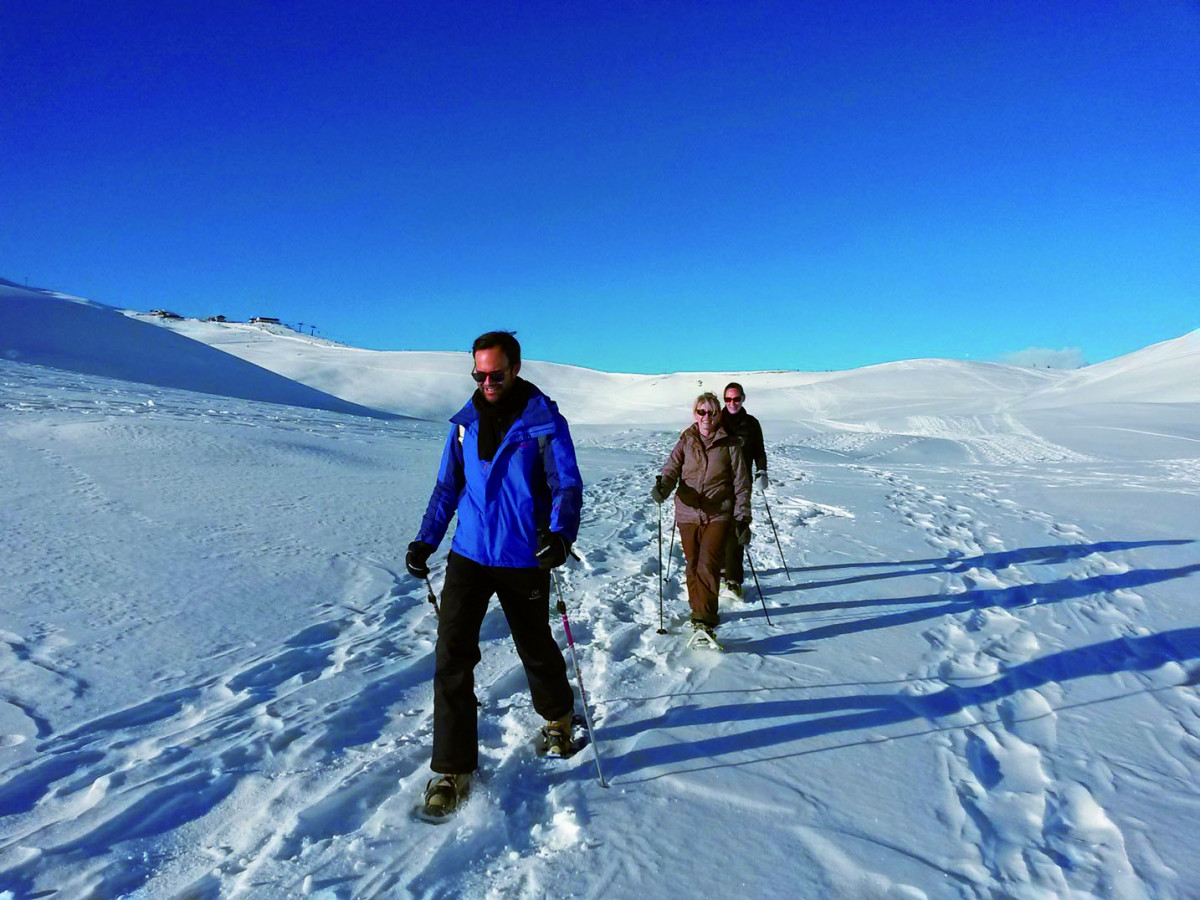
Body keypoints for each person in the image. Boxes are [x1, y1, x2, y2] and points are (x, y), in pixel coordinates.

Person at [405, 331, 583, 818]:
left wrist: (561, 534)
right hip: (469, 555)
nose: (486, 382)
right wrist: (427, 539)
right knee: (452, 656)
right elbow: (447, 487)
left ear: (516, 369)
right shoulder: (463, 425)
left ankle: (558, 717)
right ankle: (452, 769)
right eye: (479, 374)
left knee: (534, 645)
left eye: (495, 374)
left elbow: (565, 484)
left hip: (524, 555)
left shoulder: (543, 422)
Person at [651, 392, 751, 643]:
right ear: (695, 414)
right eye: (701, 411)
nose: (706, 417)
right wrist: (664, 486)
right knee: (693, 564)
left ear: (718, 415)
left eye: (711, 412)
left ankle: (705, 619)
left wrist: (742, 518)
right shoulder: (687, 439)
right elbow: (672, 467)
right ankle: (698, 612)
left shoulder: (730, 444)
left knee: (708, 564)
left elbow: (741, 483)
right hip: (687, 512)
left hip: (718, 513)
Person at [719, 381, 768, 598]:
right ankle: (719, 570)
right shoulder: (716, 421)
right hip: (718, 483)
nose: (732, 403)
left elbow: (759, 451)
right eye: (728, 399)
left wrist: (762, 471)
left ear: (743, 398)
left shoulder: (752, 423)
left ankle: (734, 580)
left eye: (736, 399)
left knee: (738, 527)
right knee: (717, 526)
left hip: (743, 482)